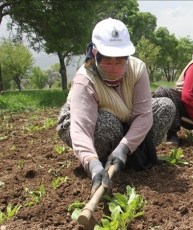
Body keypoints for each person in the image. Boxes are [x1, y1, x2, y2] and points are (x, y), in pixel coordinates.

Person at [56, 18, 176, 195]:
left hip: (125, 119)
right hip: (87, 122)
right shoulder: (85, 79)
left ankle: (123, 155)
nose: (113, 68)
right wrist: (92, 164)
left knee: (165, 107)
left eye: (119, 62)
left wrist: (124, 147)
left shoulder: (137, 69)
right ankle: (102, 161)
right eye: (107, 62)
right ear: (95, 54)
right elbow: (82, 128)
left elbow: (143, 115)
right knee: (107, 125)